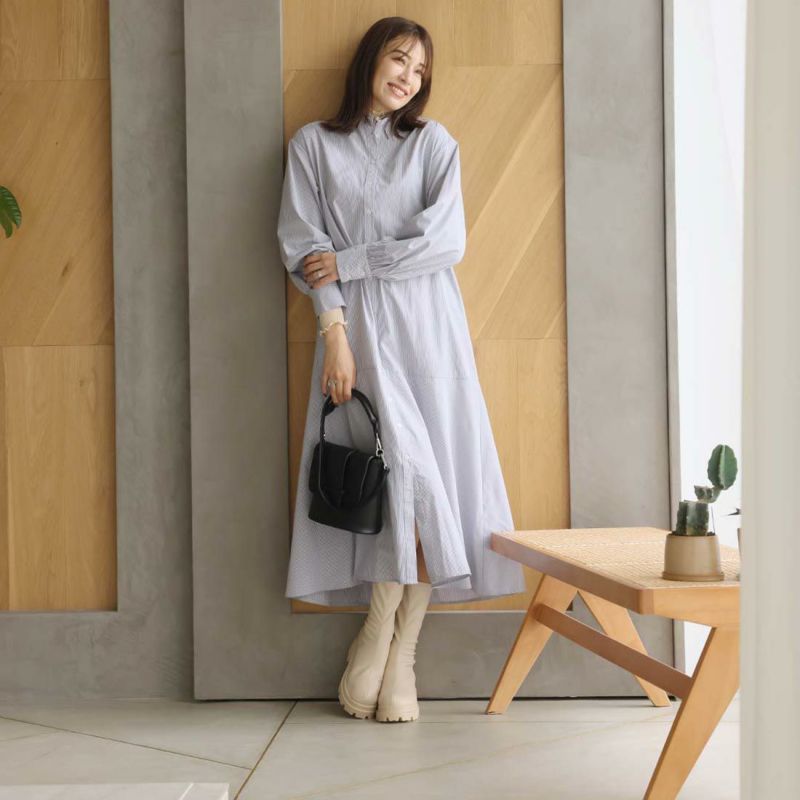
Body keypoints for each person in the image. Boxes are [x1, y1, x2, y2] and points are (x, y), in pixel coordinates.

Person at [276, 16, 526, 723]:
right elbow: (303, 248)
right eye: (398, 61)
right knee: (392, 480)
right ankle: (380, 632)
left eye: (419, 70)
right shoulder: (312, 145)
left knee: (430, 481)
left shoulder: (433, 144)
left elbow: (445, 243)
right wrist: (335, 333)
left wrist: (351, 260)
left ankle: (398, 646)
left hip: (430, 328)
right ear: (370, 61)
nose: (408, 79)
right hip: (356, 330)